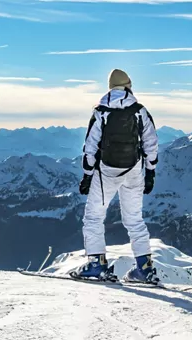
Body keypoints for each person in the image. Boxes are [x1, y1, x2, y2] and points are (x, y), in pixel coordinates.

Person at [73, 68, 160, 284]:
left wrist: (87, 175)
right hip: (134, 169)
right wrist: (150, 172)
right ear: (128, 86)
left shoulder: (101, 112)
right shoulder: (139, 111)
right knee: (134, 219)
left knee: (94, 217)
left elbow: (90, 146)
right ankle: (144, 268)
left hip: (106, 171)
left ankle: (97, 265)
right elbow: (151, 143)